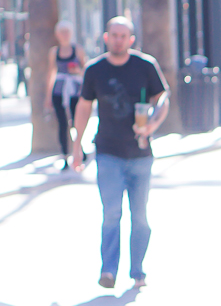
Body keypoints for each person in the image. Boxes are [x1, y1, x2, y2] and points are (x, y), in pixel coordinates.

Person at [69, 17, 169, 289]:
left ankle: (137, 270)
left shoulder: (145, 65)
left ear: (131, 40)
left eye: (123, 36)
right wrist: (76, 146)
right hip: (108, 152)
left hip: (140, 154)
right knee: (112, 213)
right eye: (114, 35)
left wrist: (152, 125)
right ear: (106, 38)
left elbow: (162, 97)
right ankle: (108, 270)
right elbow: (84, 107)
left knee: (140, 217)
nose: (118, 40)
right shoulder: (95, 69)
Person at [51, 21, 85, 171]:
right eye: (61, 32)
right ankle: (65, 155)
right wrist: (48, 96)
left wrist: (77, 70)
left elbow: (86, 69)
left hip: (75, 91)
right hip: (59, 90)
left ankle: (79, 150)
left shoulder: (77, 50)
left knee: (76, 123)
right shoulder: (54, 52)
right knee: (62, 124)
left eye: (67, 32)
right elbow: (51, 73)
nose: (64, 35)